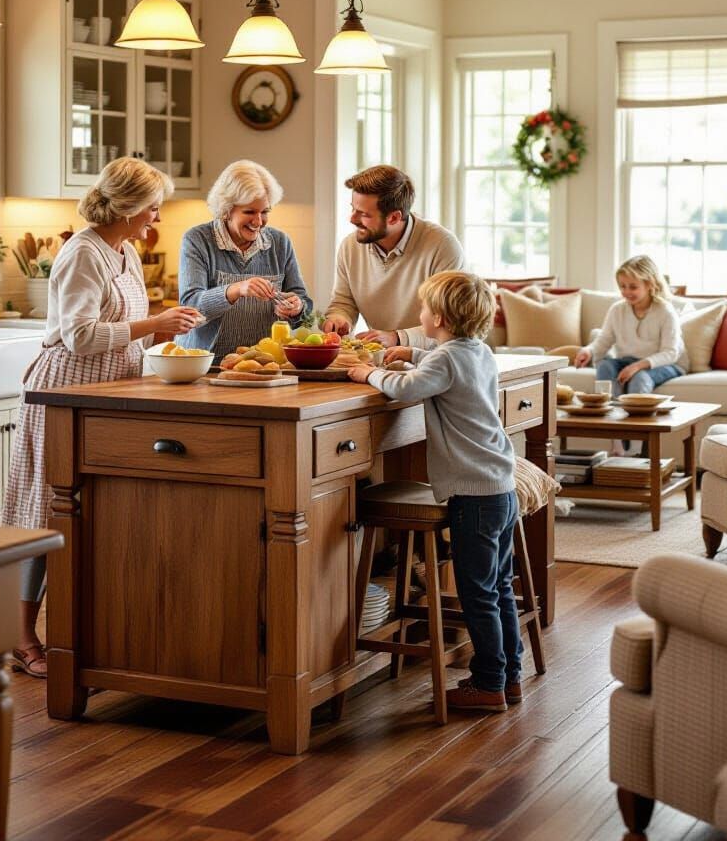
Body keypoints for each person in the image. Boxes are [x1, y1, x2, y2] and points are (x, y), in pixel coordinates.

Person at [2, 157, 202, 678]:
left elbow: (125, 325)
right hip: (64, 390)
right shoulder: (81, 254)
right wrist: (152, 322)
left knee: (93, 514)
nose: (157, 217)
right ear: (130, 207)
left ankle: (87, 634)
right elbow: (79, 336)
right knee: (45, 514)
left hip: (110, 391)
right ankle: (21, 637)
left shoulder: (126, 251)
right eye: (153, 207)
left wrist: (167, 330)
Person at [347, 271, 522, 713]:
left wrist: (369, 371)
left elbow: (408, 386)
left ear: (438, 317)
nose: (418, 315)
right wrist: (410, 355)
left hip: (474, 498)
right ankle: (508, 677)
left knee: (476, 592)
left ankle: (486, 684)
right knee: (498, 587)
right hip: (499, 488)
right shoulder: (477, 351)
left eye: (423, 308)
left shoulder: (443, 361)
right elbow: (436, 370)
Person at [178, 160, 311, 357]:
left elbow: (304, 304)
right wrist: (236, 289)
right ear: (226, 209)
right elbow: (190, 307)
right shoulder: (197, 240)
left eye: (265, 212)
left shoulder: (280, 243)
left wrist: (297, 307)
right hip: (204, 365)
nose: (258, 222)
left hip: (265, 364)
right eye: (249, 212)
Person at [323, 165, 465, 348]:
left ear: (394, 218)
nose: (352, 219)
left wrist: (397, 338)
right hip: (382, 361)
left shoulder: (442, 246)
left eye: (364, 214)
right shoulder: (350, 246)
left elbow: (449, 324)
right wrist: (340, 318)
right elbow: (344, 302)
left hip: (435, 362)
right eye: (353, 208)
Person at [573, 254, 685, 455]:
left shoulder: (665, 311)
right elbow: (604, 340)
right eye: (622, 286)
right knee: (606, 365)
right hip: (627, 361)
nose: (626, 292)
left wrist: (638, 366)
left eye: (633, 287)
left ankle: (639, 446)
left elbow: (671, 352)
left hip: (662, 364)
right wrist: (588, 351)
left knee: (639, 378)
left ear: (650, 284)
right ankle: (616, 439)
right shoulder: (617, 310)